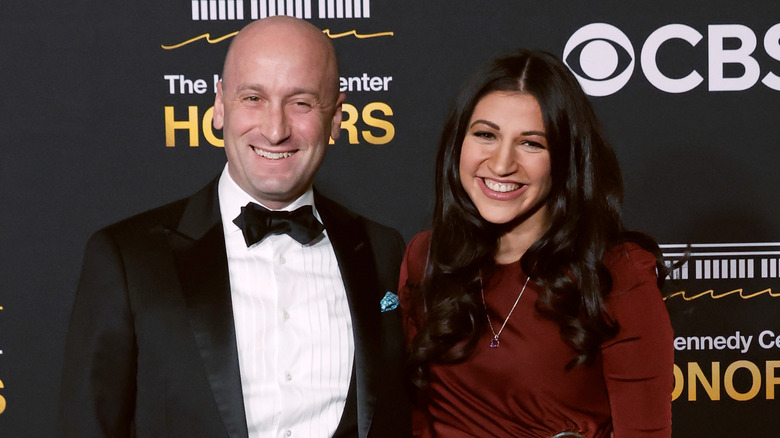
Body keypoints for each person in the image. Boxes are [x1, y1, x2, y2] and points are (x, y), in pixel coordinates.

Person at [59, 16, 410, 438]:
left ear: (336, 116)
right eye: (253, 98)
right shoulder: (128, 259)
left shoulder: (382, 250)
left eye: (301, 103)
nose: (275, 130)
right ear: (220, 106)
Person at [399, 49, 673, 437]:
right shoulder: (427, 257)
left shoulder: (615, 273)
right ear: (457, 143)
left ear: (564, 159)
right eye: (485, 135)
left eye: (531, 143)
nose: (501, 164)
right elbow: (411, 418)